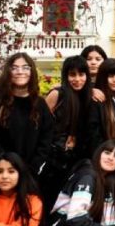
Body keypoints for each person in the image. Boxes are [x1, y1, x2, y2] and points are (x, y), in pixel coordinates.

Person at [43, 56, 102, 211]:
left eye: (81, 74)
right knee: (48, 202)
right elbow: (39, 125)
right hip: (54, 161)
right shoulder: (57, 95)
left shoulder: (89, 97)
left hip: (77, 161)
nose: (77, 79)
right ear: (66, 75)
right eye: (72, 75)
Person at [0, 53, 55, 185]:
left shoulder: (40, 104)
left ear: (32, 72)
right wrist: (6, 164)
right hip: (2, 173)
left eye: (25, 67)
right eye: (15, 68)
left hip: (30, 175)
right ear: (8, 72)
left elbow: (46, 139)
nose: (20, 72)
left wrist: (32, 168)